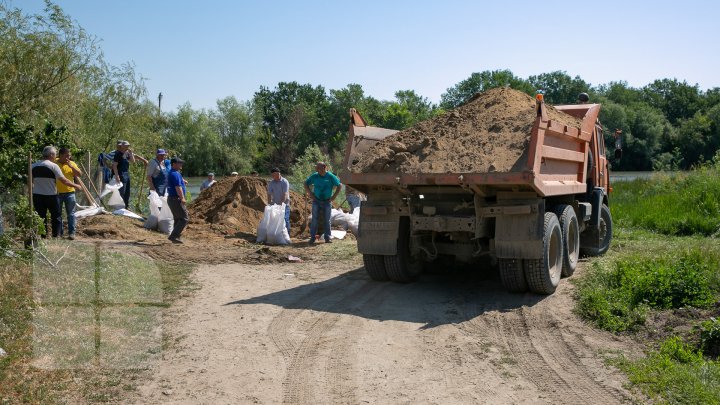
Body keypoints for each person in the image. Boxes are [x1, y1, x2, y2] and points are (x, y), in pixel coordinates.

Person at [32, 146, 82, 238]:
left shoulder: (33, 165)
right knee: (56, 216)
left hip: (37, 195)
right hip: (51, 194)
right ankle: (57, 235)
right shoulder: (53, 165)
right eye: (55, 154)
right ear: (51, 155)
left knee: (41, 215)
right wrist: (76, 185)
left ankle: (43, 235)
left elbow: (30, 181)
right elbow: (64, 180)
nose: (55, 156)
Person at [304, 161, 341, 244]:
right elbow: (305, 183)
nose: (317, 169)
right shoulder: (315, 176)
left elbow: (339, 185)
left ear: (324, 167)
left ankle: (328, 237)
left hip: (327, 201)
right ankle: (312, 238)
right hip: (316, 200)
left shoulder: (330, 176)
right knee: (314, 219)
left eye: (318, 168)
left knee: (327, 220)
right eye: (316, 168)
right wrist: (310, 193)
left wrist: (334, 196)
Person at [55, 147, 82, 240]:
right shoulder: (55, 163)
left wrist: (71, 166)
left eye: (69, 155)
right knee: (58, 214)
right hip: (57, 193)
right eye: (67, 155)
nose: (68, 157)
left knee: (71, 213)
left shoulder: (72, 163)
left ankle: (71, 233)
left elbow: (79, 174)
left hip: (70, 192)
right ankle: (60, 233)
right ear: (61, 155)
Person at [112, 140, 148, 209]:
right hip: (120, 174)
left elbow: (133, 161)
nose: (127, 147)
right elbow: (114, 166)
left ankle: (126, 206)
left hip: (126, 174)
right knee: (122, 191)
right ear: (122, 146)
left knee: (127, 191)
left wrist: (131, 153)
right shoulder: (117, 154)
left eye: (128, 146)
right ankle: (120, 207)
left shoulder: (127, 153)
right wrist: (117, 176)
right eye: (126, 146)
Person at [166, 157, 189, 244]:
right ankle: (173, 236)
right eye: (179, 163)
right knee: (185, 218)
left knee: (178, 218)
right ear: (174, 164)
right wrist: (182, 197)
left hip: (172, 199)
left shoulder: (174, 173)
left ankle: (176, 237)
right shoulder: (175, 174)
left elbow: (178, 184)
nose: (181, 164)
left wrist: (183, 181)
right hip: (176, 199)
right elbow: (177, 187)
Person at [267, 167, 291, 233]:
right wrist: (269, 203)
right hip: (275, 205)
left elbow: (285, 194)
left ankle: (287, 235)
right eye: (272, 175)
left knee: (285, 219)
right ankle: (278, 234)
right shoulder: (271, 183)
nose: (272, 177)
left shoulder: (284, 182)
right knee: (275, 220)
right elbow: (269, 194)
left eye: (273, 175)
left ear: (278, 174)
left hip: (284, 204)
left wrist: (281, 204)